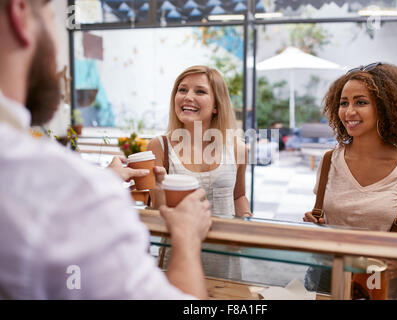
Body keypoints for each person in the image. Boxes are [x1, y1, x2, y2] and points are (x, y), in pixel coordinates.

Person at [0, 0, 212, 299]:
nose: (59, 42)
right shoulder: (74, 192)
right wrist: (188, 238)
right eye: (51, 17)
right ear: (19, 12)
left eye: (200, 91)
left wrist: (103, 180)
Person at [302, 62, 397, 299]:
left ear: (386, 109)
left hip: (383, 288)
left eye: (360, 102)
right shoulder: (328, 162)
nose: (348, 111)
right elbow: (332, 218)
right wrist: (318, 221)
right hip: (330, 280)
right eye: (344, 103)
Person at [147, 65, 251, 280]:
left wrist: (246, 221)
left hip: (225, 258)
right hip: (177, 255)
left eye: (200, 91)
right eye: (182, 90)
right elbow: (155, 209)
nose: (187, 97)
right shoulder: (160, 147)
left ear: (216, 105)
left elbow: (238, 196)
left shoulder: (237, 148)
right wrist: (156, 191)